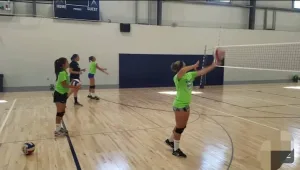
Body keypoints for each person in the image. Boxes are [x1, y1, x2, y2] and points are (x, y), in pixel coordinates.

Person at [165, 57, 223, 158]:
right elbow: (182, 71)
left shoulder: (189, 75)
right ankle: (176, 150)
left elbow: (202, 72)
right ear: (181, 67)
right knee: (180, 128)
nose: (185, 66)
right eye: (184, 65)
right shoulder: (177, 77)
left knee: (180, 125)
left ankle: (170, 141)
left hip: (186, 105)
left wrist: (213, 65)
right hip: (179, 105)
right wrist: (193, 66)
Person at [53, 57, 80, 137]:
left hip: (63, 93)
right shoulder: (62, 73)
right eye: (67, 62)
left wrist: (74, 85)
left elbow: (66, 84)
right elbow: (64, 85)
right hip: (59, 94)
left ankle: (59, 128)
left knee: (62, 111)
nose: (68, 63)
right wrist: (74, 86)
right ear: (63, 64)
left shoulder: (64, 72)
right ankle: (57, 131)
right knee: (60, 112)